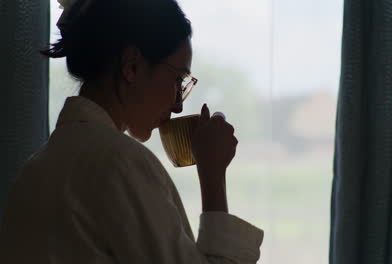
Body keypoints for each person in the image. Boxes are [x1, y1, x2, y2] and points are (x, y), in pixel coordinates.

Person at [0, 0, 264, 263]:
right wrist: (213, 175)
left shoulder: (38, 167)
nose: (178, 105)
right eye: (177, 80)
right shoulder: (120, 164)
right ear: (132, 66)